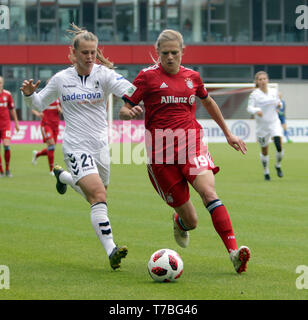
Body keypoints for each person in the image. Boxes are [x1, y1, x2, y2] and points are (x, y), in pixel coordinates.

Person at [119, 29, 250, 274]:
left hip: (192, 144)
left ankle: (234, 253)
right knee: (192, 221)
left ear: (182, 52)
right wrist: (129, 113)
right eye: (165, 53)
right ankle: (181, 223)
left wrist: (228, 133)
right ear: (158, 53)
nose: (170, 57)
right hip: (161, 157)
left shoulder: (193, 77)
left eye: (174, 53)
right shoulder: (147, 77)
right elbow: (125, 109)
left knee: (209, 193)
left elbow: (208, 102)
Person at [20, 24, 131, 270]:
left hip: (101, 146)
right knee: (98, 196)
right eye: (85, 53)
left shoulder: (104, 75)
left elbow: (130, 91)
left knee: (97, 196)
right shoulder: (61, 79)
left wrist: (131, 103)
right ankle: (111, 249)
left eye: (93, 52)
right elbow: (38, 102)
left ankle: (64, 177)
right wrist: (29, 95)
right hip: (76, 146)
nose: (90, 57)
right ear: (73, 53)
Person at [247, 71, 284, 181]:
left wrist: (279, 104)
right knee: (264, 150)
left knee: (279, 145)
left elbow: (279, 103)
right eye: (260, 79)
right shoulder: (254, 94)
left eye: (264, 79)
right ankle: (266, 171)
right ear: (257, 82)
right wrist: (256, 110)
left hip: (274, 123)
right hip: (262, 127)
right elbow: (249, 108)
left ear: (267, 80)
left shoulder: (274, 91)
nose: (262, 81)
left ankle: (278, 165)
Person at [32, 97, 62, 175]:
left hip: (55, 125)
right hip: (46, 124)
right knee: (51, 146)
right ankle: (51, 170)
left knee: (51, 148)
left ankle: (37, 154)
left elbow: (61, 111)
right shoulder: (44, 97)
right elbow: (32, 107)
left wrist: (60, 110)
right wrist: (38, 114)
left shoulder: (58, 98)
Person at [0, 75, 20, 177]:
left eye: (0, 83)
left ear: (3, 84)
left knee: (6, 146)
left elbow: (12, 109)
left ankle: (7, 169)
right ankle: (1, 170)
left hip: (5, 125)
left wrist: (16, 123)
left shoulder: (7, 94)